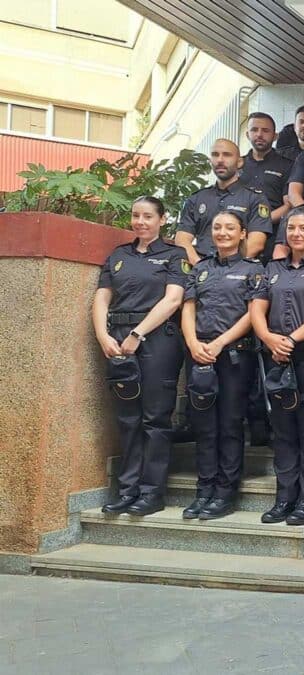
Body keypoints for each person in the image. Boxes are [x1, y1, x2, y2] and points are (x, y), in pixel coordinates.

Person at [94, 196, 187, 517]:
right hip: (118, 341)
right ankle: (127, 490)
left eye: (148, 216)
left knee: (155, 418)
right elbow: (102, 299)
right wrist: (103, 335)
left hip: (157, 340)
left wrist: (138, 334)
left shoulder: (175, 255)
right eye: (136, 216)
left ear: (162, 220)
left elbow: (173, 300)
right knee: (128, 418)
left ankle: (151, 492)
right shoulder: (118, 256)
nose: (141, 222)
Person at [250, 208, 304, 526]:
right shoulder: (271, 268)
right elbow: (257, 309)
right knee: (284, 432)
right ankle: (284, 498)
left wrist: (290, 339)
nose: (296, 233)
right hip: (275, 357)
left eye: (303, 228)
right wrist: (269, 338)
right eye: (291, 228)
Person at [180, 209, 263, 520]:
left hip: (234, 356)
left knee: (229, 424)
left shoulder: (254, 270)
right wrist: (193, 343)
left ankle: (225, 492)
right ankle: (204, 489)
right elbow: (188, 307)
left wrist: (219, 343)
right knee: (204, 425)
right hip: (199, 355)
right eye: (217, 227)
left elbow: (252, 314)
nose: (223, 232)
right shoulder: (199, 269)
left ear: (242, 234)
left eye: (230, 228)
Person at [176, 139, 273, 265]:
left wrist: (226, 271)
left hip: (238, 274)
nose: (220, 160)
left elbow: (256, 243)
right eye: (215, 155)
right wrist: (201, 268)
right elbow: (182, 240)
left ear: (239, 162)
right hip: (199, 270)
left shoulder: (255, 199)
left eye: (227, 155)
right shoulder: (196, 198)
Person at [241, 113, 294, 232]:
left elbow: (289, 205)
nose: (259, 134)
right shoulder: (236, 165)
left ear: (275, 136)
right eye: (254, 130)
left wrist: (260, 224)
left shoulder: (287, 165)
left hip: (272, 233)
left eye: (265, 131)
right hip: (234, 233)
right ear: (247, 134)